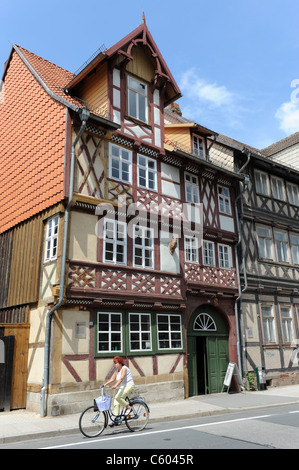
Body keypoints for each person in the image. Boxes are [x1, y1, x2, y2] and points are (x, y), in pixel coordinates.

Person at [103, 356, 135, 424]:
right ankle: (116, 419)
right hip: (123, 386)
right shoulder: (117, 370)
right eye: (114, 363)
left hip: (129, 385)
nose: (115, 365)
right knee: (116, 401)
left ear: (120, 363)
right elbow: (112, 379)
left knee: (119, 398)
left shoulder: (124, 368)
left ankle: (129, 408)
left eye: (116, 363)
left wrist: (115, 385)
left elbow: (121, 378)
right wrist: (105, 384)